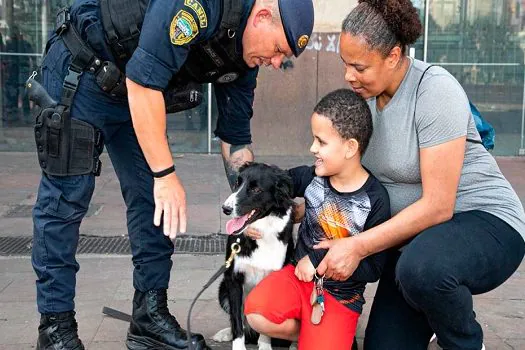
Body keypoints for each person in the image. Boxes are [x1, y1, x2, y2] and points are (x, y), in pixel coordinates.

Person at [31, 0, 314, 349]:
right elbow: (145, 82)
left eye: (281, 59)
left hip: (133, 91)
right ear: (262, 16)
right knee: (65, 201)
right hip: (84, 70)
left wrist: (257, 208)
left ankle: (148, 318)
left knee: (153, 201)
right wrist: (166, 175)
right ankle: (56, 328)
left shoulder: (244, 59)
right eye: (277, 50)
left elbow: (236, 144)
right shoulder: (200, 6)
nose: (274, 63)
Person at [312, 1, 525, 349]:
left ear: (394, 56)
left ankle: (464, 340)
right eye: (345, 64)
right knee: (384, 344)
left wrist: (357, 246)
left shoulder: (434, 90)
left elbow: (439, 207)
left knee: (423, 271)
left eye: (359, 66)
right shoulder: (362, 101)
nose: (349, 75)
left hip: (486, 223)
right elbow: (342, 172)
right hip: (414, 244)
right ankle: (432, 308)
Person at [243, 89, 391, 350]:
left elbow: (374, 269)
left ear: (350, 147)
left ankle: (326, 335)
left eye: (321, 142)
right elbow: (268, 184)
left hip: (340, 297)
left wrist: (318, 261)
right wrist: (250, 216)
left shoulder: (375, 199)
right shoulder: (311, 177)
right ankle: (314, 334)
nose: (312, 148)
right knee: (255, 311)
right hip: (296, 280)